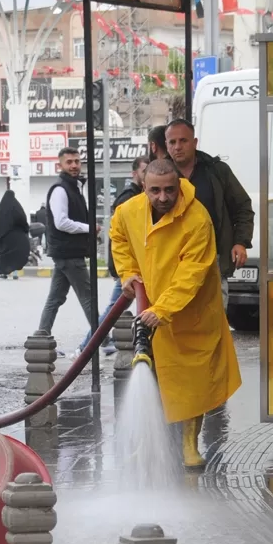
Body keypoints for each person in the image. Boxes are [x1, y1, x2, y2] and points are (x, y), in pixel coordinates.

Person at [110, 158, 242, 468]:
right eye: (155, 191)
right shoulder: (129, 212)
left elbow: (191, 273)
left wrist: (163, 309)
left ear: (178, 185)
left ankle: (188, 445)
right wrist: (128, 273)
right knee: (155, 379)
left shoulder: (197, 219)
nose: (163, 197)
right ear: (144, 187)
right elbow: (118, 238)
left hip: (192, 311)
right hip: (152, 308)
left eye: (170, 190)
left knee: (191, 382)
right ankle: (146, 443)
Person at [164, 118, 254, 310]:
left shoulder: (216, 171)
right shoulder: (159, 175)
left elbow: (243, 207)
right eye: (172, 142)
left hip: (213, 259)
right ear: (166, 145)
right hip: (172, 262)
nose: (177, 147)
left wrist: (240, 242)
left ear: (195, 142)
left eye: (183, 141)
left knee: (215, 321)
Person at [75, 155, 150, 357]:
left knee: (115, 308)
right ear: (135, 174)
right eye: (144, 171)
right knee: (114, 309)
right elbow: (122, 237)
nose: (148, 175)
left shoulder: (141, 195)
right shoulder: (129, 199)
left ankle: (92, 344)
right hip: (129, 266)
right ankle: (87, 346)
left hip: (134, 265)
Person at [37, 147, 95, 344]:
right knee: (88, 298)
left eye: (77, 161)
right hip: (69, 253)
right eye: (69, 162)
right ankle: (103, 341)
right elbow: (61, 222)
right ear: (60, 165)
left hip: (66, 252)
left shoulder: (74, 187)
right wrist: (88, 228)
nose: (74, 166)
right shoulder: (61, 189)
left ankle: (42, 337)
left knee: (55, 299)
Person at [0, 189, 30, 279]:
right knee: (16, 257)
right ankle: (15, 274)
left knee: (5, 256)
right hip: (18, 238)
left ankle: (3, 273)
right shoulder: (17, 207)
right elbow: (24, 221)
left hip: (6, 238)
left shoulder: (2, 210)